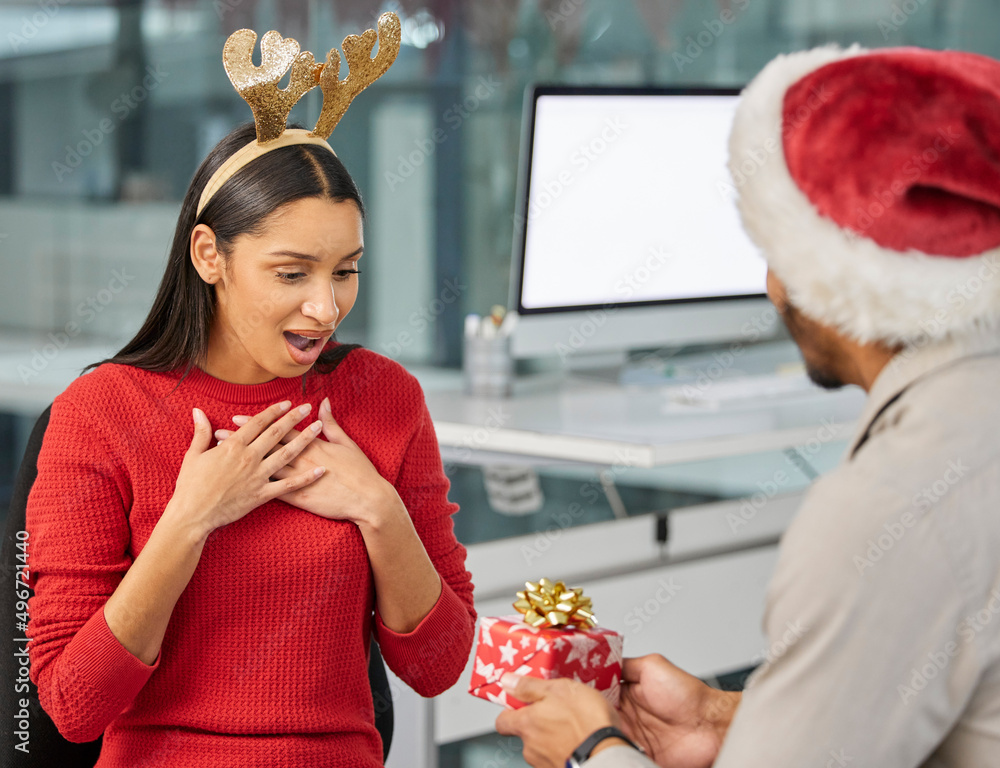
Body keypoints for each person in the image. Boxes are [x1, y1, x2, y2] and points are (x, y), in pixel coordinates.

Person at [495, 44, 1000, 768]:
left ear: (829, 272)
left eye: (776, 248)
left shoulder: (887, 511)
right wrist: (728, 720)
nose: (768, 287)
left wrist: (588, 750)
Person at [25, 14, 476, 767]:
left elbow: (437, 669)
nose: (326, 308)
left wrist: (377, 507)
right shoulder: (102, 415)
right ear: (210, 255)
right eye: (292, 273)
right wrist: (191, 518)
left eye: (345, 270)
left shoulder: (383, 400)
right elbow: (73, 707)